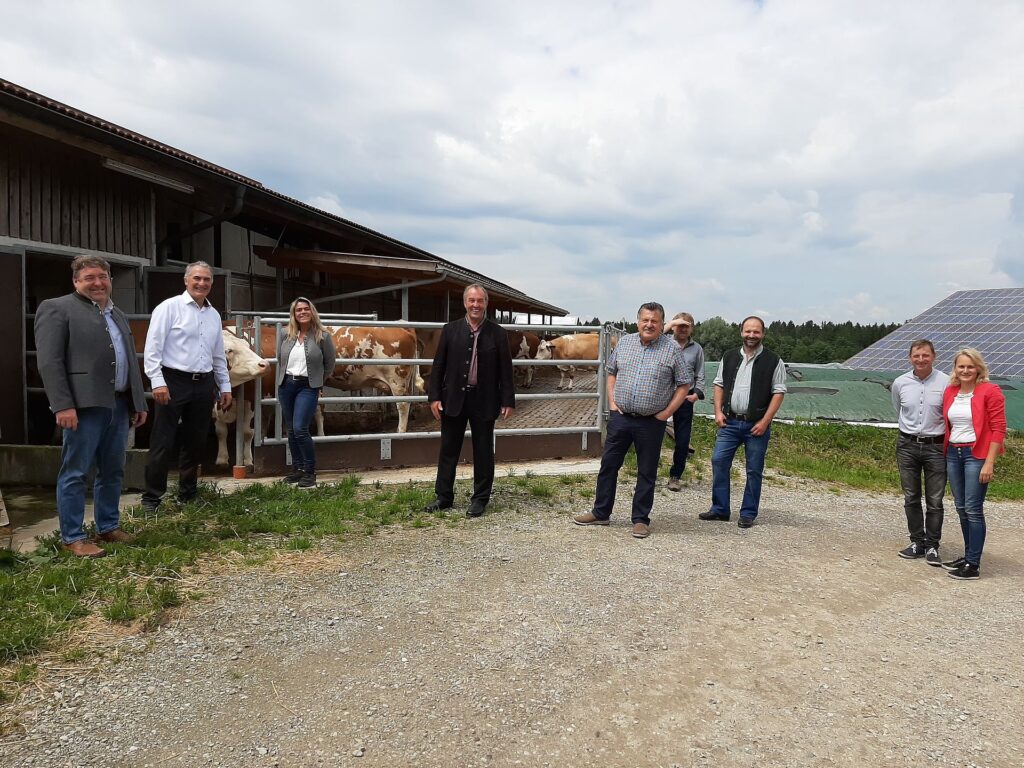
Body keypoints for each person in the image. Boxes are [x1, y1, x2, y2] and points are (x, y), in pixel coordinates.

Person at [34, 255, 149, 557]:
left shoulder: (118, 314)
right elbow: (49, 362)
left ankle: (108, 526)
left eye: (102, 277)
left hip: (119, 405)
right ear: (76, 282)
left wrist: (138, 401)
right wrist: (62, 405)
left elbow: (129, 360)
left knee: (113, 470)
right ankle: (73, 536)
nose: (97, 283)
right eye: (89, 278)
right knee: (76, 472)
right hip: (83, 407)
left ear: (110, 279)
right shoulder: (57, 309)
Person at [573, 302, 690, 539]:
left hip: (652, 421)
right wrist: (613, 403)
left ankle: (640, 519)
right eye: (645, 320)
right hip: (622, 418)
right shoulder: (625, 343)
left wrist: (666, 413)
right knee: (608, 466)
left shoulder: (672, 349)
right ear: (638, 321)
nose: (649, 325)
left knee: (646, 471)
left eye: (654, 321)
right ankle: (601, 512)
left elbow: (684, 384)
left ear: (661, 324)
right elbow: (611, 371)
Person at [142, 261, 232, 512]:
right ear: (186, 280)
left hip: (203, 383)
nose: (201, 283)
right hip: (173, 381)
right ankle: (152, 498)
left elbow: (217, 355)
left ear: (211, 284)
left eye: (206, 279)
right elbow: (152, 349)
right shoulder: (169, 308)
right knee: (163, 439)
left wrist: (224, 386)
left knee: (196, 440)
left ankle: (188, 493)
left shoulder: (213, 315)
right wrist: (157, 381)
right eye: (197, 278)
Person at [424, 284, 515, 518]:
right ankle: (443, 496)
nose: (476, 305)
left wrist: (508, 400)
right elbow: (438, 366)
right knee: (448, 450)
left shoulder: (498, 333)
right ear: (465, 303)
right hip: (453, 398)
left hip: (484, 400)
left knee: (483, 451)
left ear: (486, 303)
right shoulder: (450, 330)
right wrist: (434, 397)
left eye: (480, 301)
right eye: (471, 300)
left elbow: (506, 369)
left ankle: (480, 499)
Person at [700, 316, 786, 528]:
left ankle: (748, 513)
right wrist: (718, 412)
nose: (751, 335)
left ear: (763, 334)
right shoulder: (729, 357)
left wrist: (766, 421)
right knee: (719, 461)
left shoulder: (774, 360)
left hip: (756, 425)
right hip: (729, 423)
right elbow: (719, 384)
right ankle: (720, 509)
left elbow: (778, 392)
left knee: (754, 469)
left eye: (756, 332)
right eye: (748, 331)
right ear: (741, 332)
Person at [941, 349, 1006, 580]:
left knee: (973, 509)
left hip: (976, 454)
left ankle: (973, 565)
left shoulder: (990, 391)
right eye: (961, 366)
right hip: (953, 453)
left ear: (978, 368)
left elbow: (999, 428)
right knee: (960, 507)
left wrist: (989, 462)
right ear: (955, 369)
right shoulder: (951, 392)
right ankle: (969, 555)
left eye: (970, 366)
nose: (965, 371)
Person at [890, 339, 949, 564]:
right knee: (911, 496)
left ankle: (933, 546)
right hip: (907, 445)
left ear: (934, 357)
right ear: (910, 358)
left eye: (925, 355)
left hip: (936, 446)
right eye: (917, 356)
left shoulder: (946, 382)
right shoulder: (900, 383)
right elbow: (898, 409)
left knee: (935, 499)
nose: (921, 359)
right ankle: (917, 541)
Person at [277, 297, 336, 489]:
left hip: (307, 387)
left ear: (312, 312)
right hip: (286, 385)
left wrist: (318, 382)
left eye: (306, 309)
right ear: (293, 314)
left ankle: (310, 472)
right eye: (298, 310)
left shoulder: (323, 336)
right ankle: (298, 469)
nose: (302, 312)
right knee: (292, 430)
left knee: (301, 428)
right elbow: (280, 358)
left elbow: (330, 364)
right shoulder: (285, 334)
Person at [663, 312, 705, 491]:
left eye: (686, 326)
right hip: (663, 394)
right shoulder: (663, 343)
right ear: (672, 326)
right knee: (651, 436)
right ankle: (646, 475)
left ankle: (675, 476)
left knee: (682, 440)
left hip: (685, 396)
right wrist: (671, 323)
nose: (682, 329)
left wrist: (696, 394)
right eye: (679, 325)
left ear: (691, 329)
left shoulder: (697, 349)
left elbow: (700, 374)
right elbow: (651, 336)